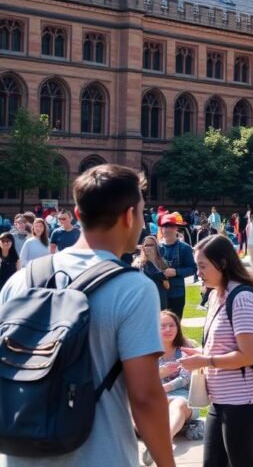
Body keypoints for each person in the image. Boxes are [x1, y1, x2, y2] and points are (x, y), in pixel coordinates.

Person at [0, 164, 173, 467]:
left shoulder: (22, 280)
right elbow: (145, 396)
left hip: (20, 453)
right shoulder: (133, 288)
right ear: (129, 216)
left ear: (78, 215)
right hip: (100, 455)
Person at [179, 235, 253, 467]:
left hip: (243, 398)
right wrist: (200, 354)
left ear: (221, 263)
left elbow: (248, 355)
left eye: (202, 266)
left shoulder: (242, 298)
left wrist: (206, 360)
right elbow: (224, 343)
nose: (198, 272)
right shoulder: (215, 295)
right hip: (221, 397)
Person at [140, 311, 204, 464]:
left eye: (172, 325)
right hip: (154, 398)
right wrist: (160, 375)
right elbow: (141, 381)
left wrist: (163, 388)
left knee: (179, 404)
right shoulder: (146, 352)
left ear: (178, 327)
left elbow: (184, 379)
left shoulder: (187, 348)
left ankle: (162, 443)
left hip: (181, 397)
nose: (168, 329)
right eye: (163, 326)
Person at [158, 213, 198, 319]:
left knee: (174, 324)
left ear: (176, 228)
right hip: (159, 293)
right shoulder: (156, 248)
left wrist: (177, 272)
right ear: (161, 229)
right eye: (165, 226)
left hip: (177, 293)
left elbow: (193, 269)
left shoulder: (185, 248)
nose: (168, 230)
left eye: (171, 226)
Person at [134, 235, 171, 310]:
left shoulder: (162, 262)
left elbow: (167, 285)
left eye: (151, 245)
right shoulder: (139, 263)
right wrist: (162, 275)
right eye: (146, 245)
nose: (148, 247)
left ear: (156, 247)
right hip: (146, 298)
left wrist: (163, 277)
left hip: (161, 297)